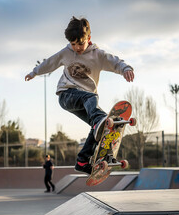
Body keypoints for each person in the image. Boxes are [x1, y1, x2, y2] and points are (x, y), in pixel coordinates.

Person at [25, 16, 134, 175]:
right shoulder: (66, 52)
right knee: (94, 107)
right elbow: (50, 62)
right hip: (67, 95)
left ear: (89, 38)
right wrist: (34, 72)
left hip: (85, 103)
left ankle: (83, 161)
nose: (76, 47)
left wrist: (125, 68)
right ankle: (98, 121)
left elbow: (115, 61)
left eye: (80, 43)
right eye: (73, 44)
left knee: (104, 123)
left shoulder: (98, 55)